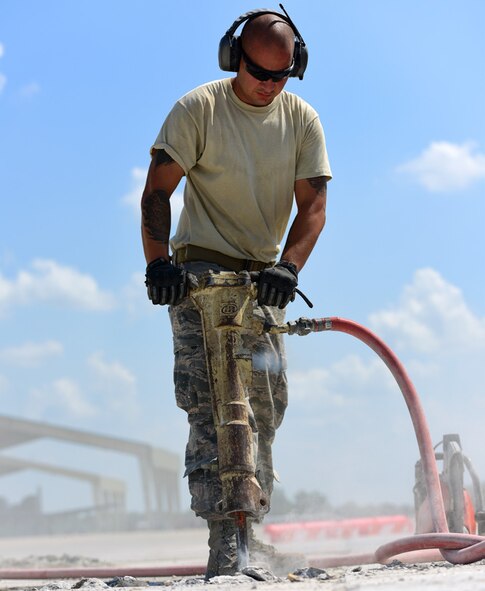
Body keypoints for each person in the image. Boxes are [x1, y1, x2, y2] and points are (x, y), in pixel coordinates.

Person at [141, 7, 332, 578]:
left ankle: (257, 533)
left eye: (282, 75)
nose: (270, 86)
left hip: (263, 283)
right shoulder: (199, 108)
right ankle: (225, 540)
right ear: (234, 59)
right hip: (198, 275)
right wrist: (158, 265)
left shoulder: (301, 120)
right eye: (259, 74)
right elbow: (157, 193)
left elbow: (314, 206)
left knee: (266, 410)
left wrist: (289, 267)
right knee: (211, 409)